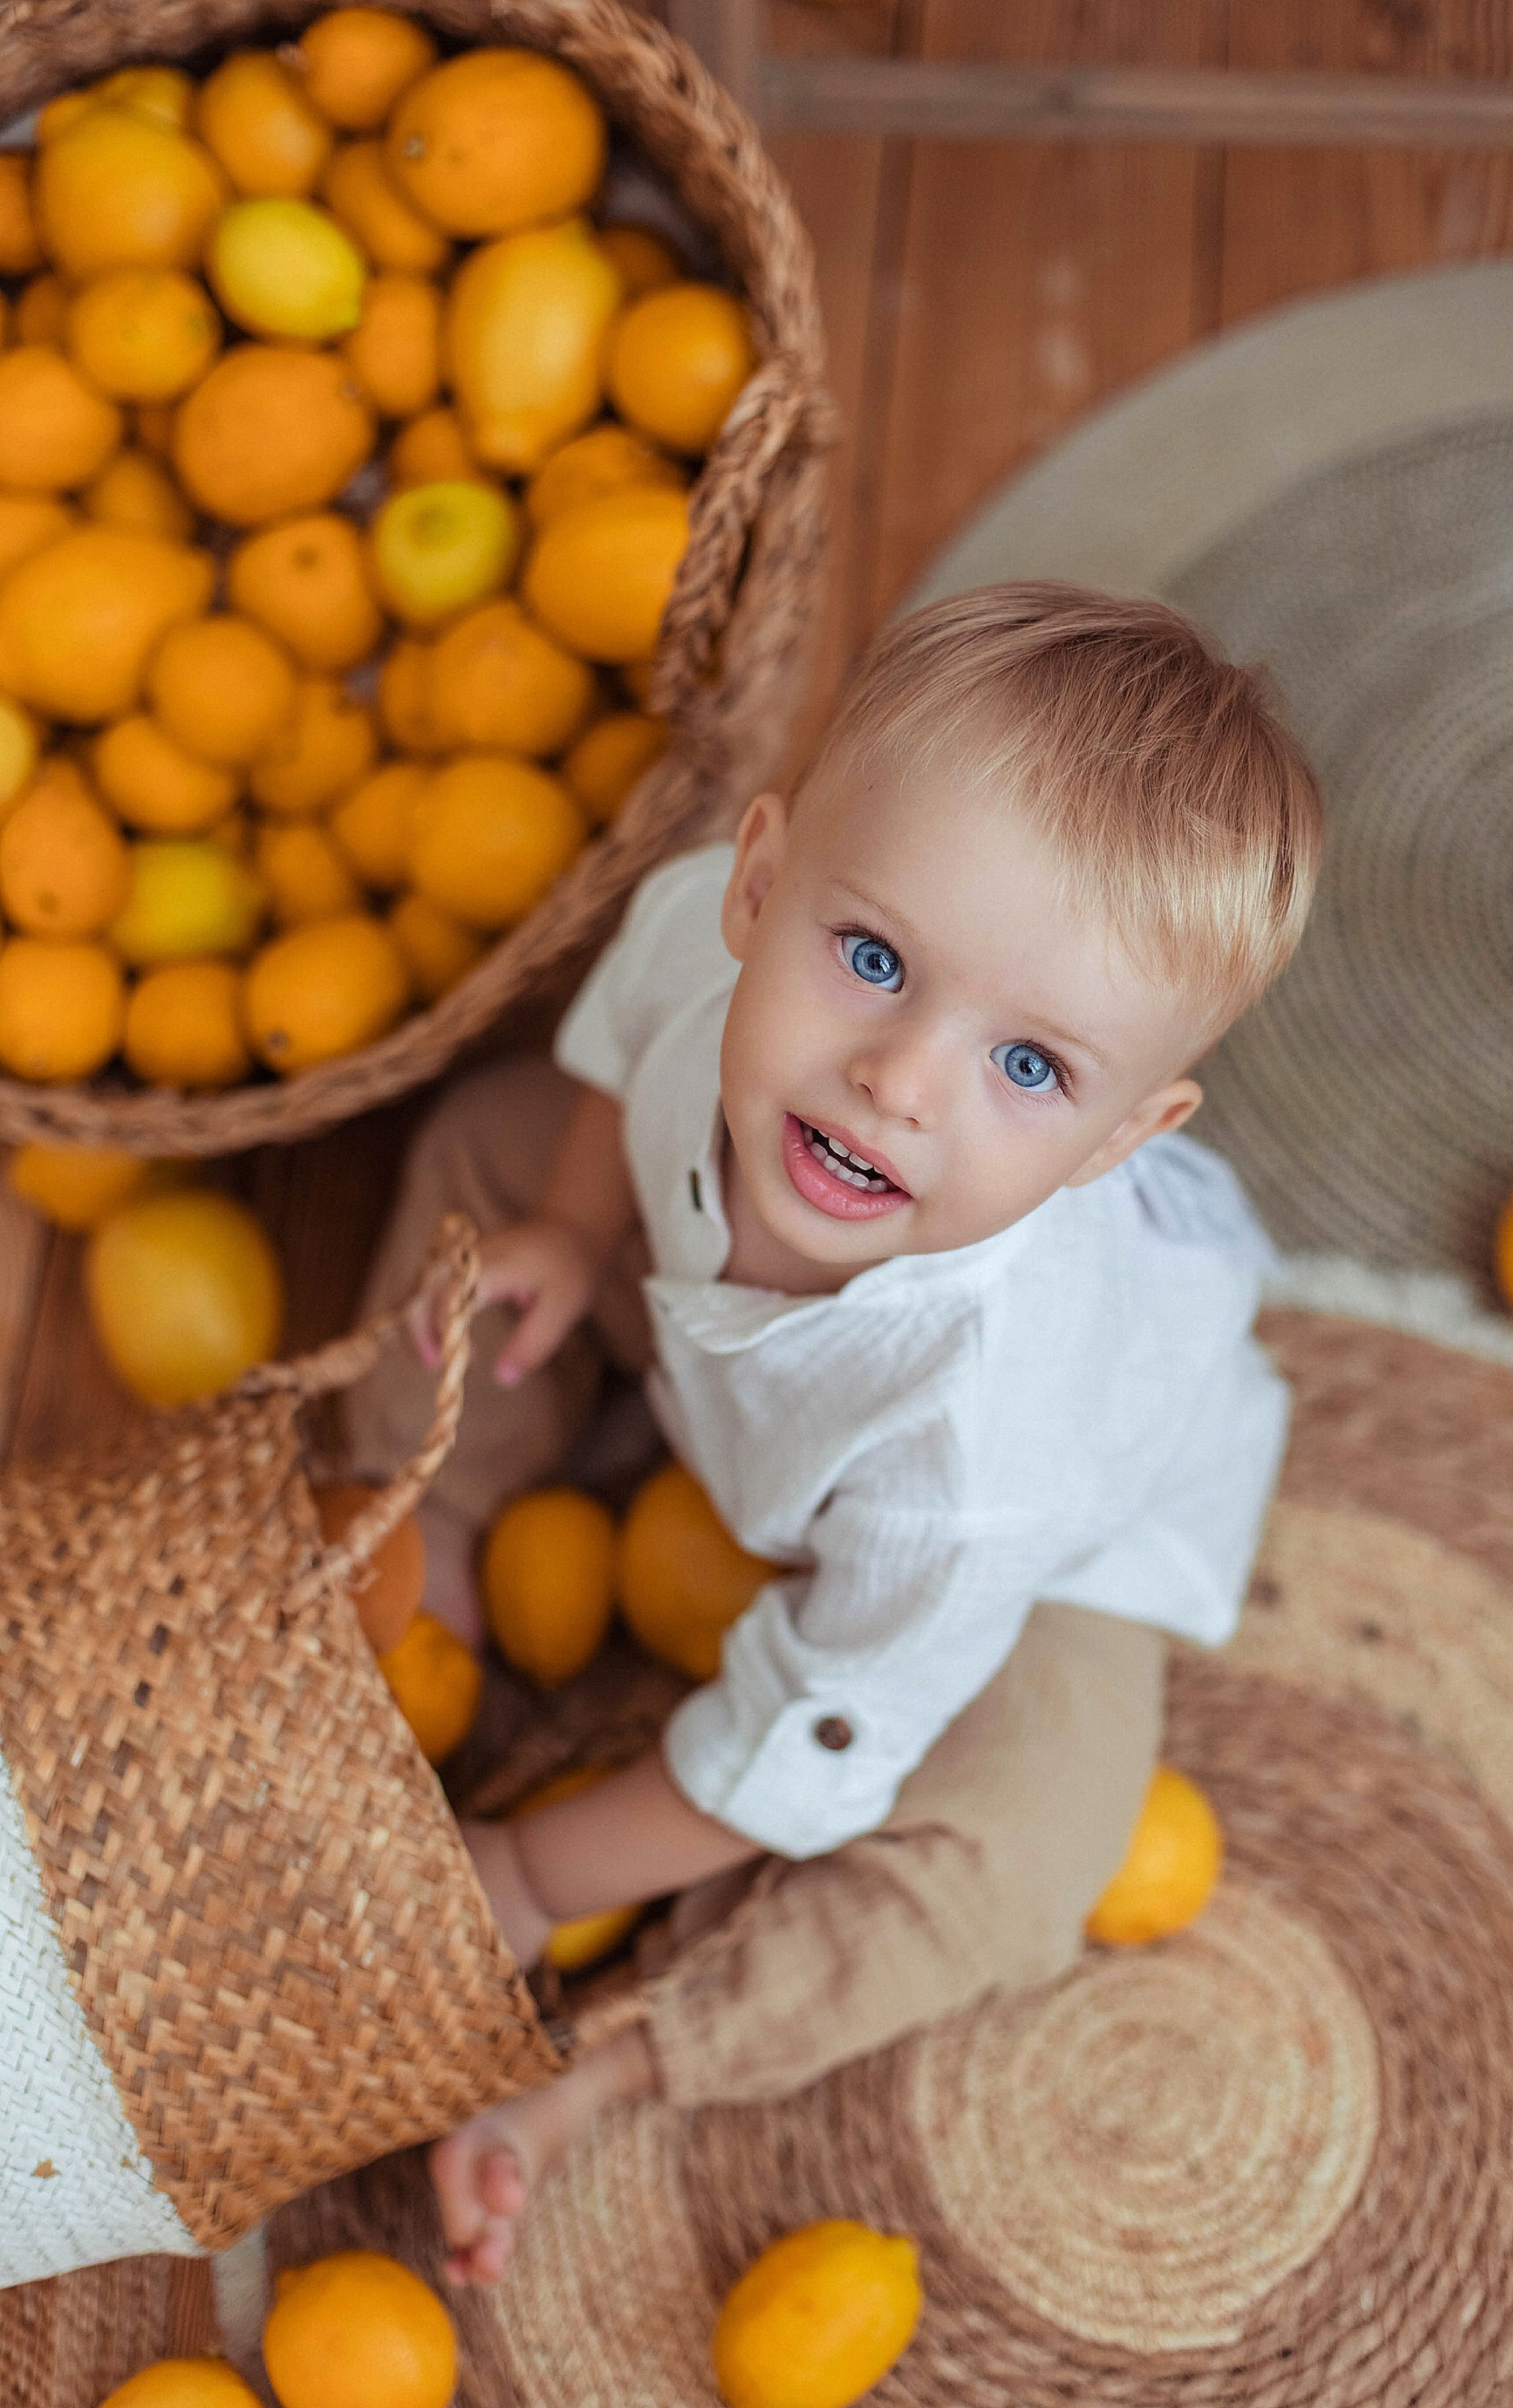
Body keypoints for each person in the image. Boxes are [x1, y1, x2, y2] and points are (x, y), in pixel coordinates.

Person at [346, 582, 1324, 2286]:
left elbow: (805, 1726)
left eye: (1030, 1067)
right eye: (872, 959)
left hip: (1053, 1541)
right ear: (756, 880)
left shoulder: (983, 1458)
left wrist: (530, 1867)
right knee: (489, 1160)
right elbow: (610, 1064)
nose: (900, 1079)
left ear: (1117, 1141)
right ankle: (424, 1566)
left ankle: (629, 2056)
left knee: (1021, 1850)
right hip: (732, 1336)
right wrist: (580, 1233)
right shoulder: (691, 947)